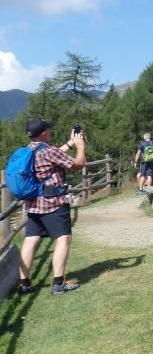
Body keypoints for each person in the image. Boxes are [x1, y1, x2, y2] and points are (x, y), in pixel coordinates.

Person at [16, 118, 85, 296]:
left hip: (33, 204)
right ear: (44, 133)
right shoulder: (48, 151)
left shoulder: (30, 149)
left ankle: (23, 283)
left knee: (31, 239)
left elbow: (55, 154)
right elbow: (78, 164)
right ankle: (58, 283)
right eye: (48, 129)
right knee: (63, 238)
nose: (50, 131)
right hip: (53, 203)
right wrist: (80, 146)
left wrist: (70, 142)